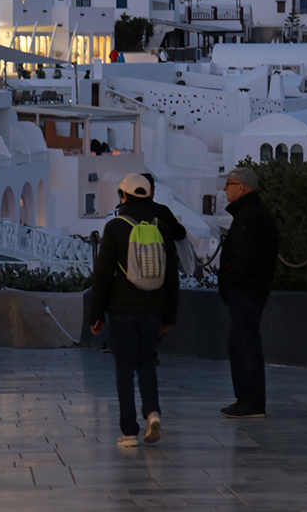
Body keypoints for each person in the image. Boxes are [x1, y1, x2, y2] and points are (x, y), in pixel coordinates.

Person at [89, 173, 179, 448]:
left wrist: (96, 314)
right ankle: (152, 411)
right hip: (153, 309)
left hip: (121, 310)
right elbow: (172, 277)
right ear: (150, 197)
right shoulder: (162, 228)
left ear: (123, 196)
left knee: (124, 366)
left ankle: (129, 431)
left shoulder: (115, 228)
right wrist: (169, 316)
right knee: (146, 361)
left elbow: (102, 275)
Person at [216, 166, 279, 419]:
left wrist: (227, 282)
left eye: (229, 184)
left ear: (240, 187)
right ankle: (245, 399)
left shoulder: (248, 217)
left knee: (246, 346)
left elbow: (244, 259)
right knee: (240, 344)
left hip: (245, 293)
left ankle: (251, 401)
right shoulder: (255, 214)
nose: (224, 189)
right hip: (250, 292)